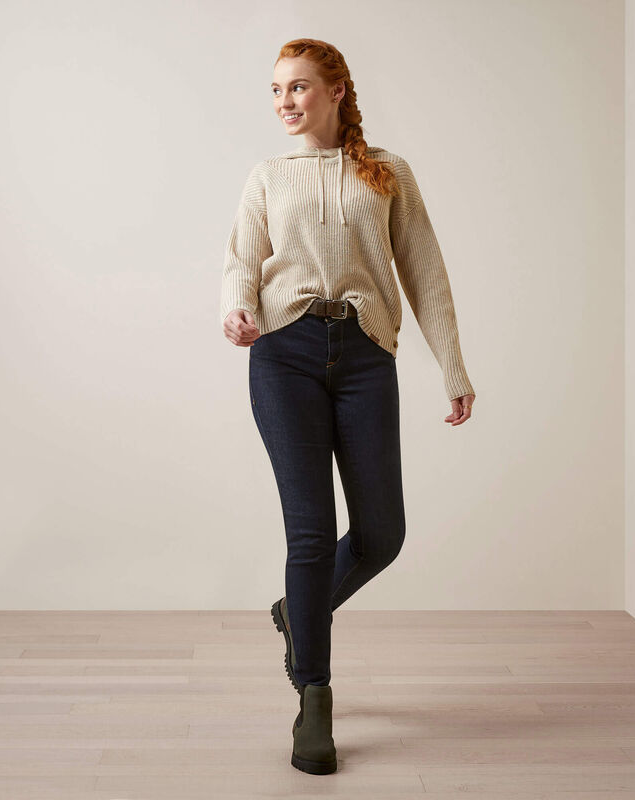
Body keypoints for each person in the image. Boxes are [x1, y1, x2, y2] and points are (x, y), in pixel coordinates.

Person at [220, 38, 476, 775]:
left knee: (381, 534)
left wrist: (453, 366)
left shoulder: (388, 171)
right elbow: (241, 257)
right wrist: (237, 308)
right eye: (276, 90)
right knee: (310, 532)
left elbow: (425, 270)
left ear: (336, 90)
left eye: (299, 87)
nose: (285, 102)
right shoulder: (269, 175)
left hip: (366, 354)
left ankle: (295, 612)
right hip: (285, 354)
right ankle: (315, 698)